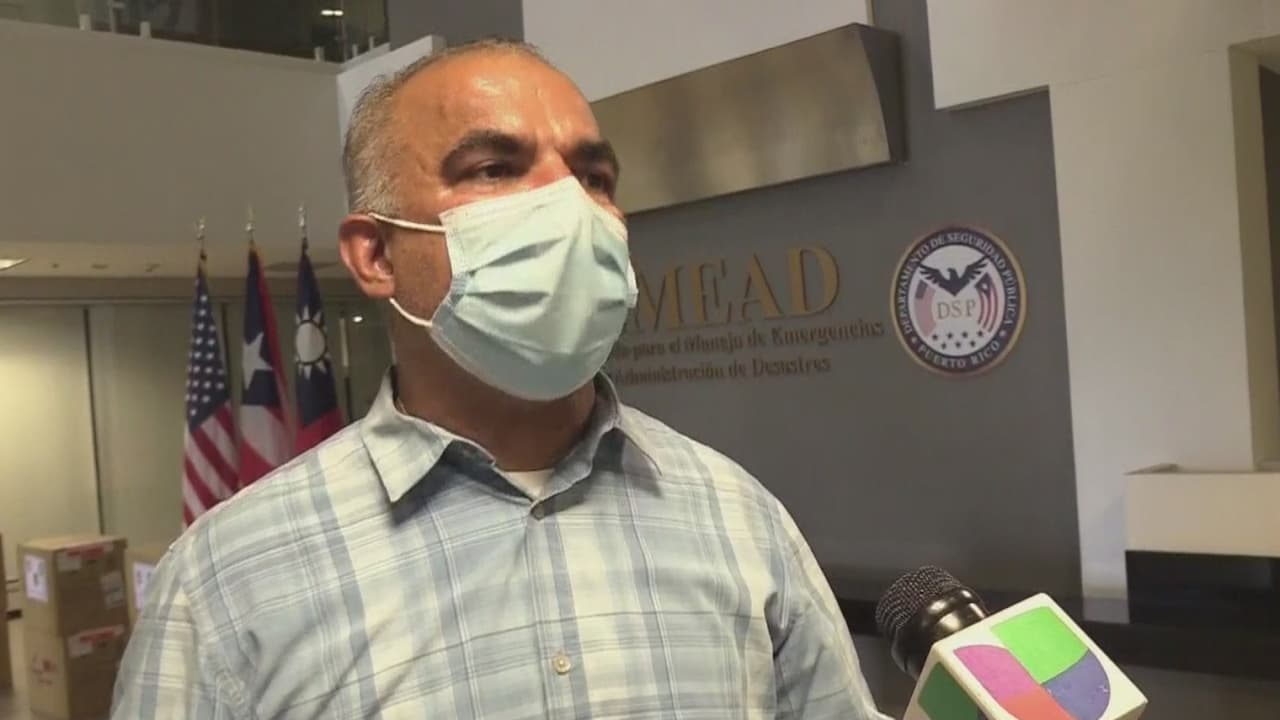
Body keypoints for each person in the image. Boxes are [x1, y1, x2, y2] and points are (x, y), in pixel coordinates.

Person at [112, 39, 889, 720]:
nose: (567, 203)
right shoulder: (226, 583)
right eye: (493, 168)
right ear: (376, 256)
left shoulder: (740, 518)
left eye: (593, 175)